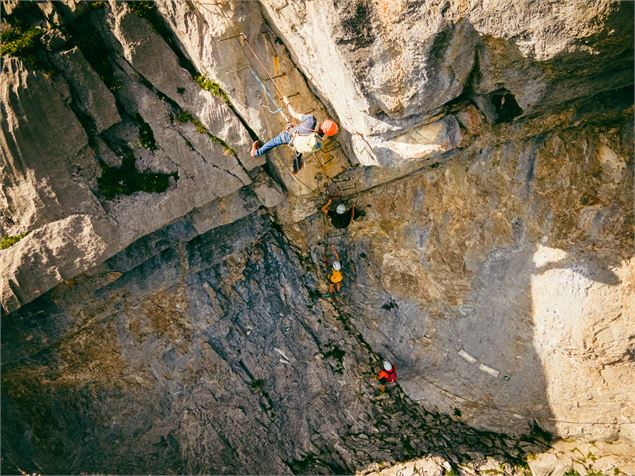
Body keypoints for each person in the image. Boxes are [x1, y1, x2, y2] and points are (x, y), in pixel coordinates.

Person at [250, 96, 338, 174]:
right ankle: (297, 166)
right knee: (298, 150)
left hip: (289, 136)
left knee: (273, 142)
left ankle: (256, 153)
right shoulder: (319, 137)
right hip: (297, 144)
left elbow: (294, 114)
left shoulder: (311, 119)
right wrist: (294, 126)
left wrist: (286, 102)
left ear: (326, 122)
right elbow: (304, 133)